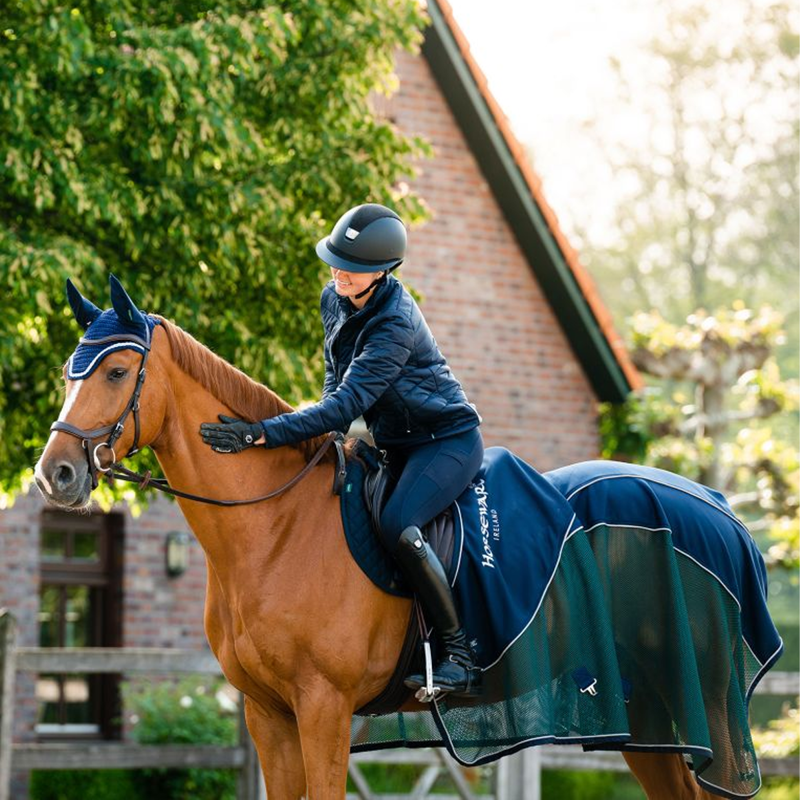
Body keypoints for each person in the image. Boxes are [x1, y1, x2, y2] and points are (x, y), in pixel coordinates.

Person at [200, 203, 484, 698]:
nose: (339, 272)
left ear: (382, 272)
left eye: (351, 268)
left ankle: (459, 654)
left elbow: (348, 404)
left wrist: (263, 432)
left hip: (446, 443)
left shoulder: (395, 321)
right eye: (336, 260)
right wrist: (321, 437)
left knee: (399, 523)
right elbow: (335, 383)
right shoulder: (333, 299)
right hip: (394, 443)